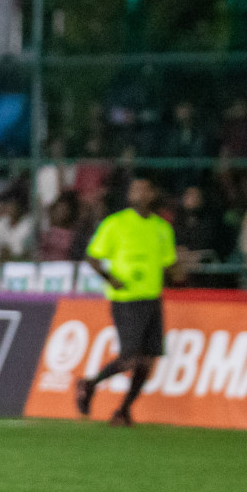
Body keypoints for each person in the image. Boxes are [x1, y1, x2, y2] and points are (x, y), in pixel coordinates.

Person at [74, 176, 176, 427]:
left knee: (148, 360)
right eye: (135, 189)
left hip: (152, 298)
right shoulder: (115, 224)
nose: (139, 193)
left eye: (144, 188)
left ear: (152, 193)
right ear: (130, 195)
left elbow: (170, 264)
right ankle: (89, 384)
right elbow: (92, 257)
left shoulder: (162, 228)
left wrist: (180, 269)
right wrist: (110, 278)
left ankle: (124, 410)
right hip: (126, 300)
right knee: (130, 358)